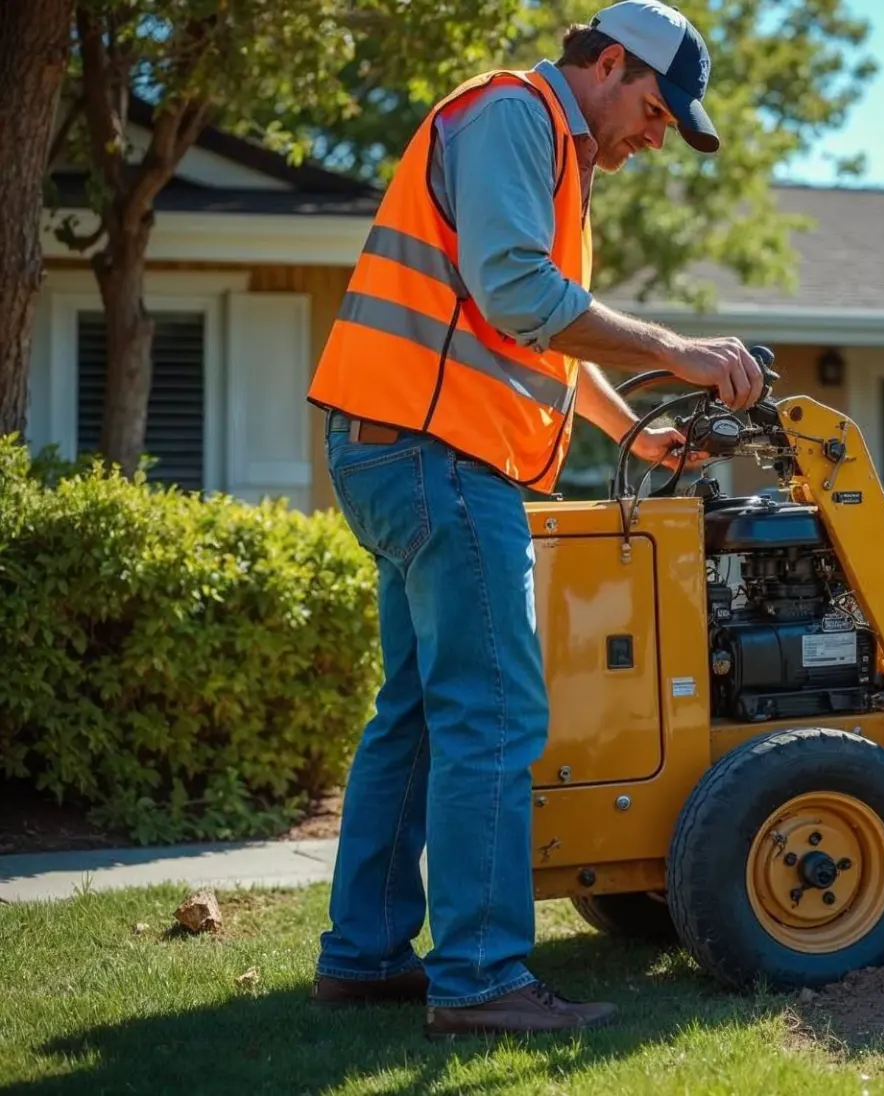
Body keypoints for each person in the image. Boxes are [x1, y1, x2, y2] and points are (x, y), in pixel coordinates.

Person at [301, 0, 763, 1040]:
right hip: (441, 456)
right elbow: (517, 293)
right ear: (609, 64)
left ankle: (367, 953)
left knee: (420, 711)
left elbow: (539, 336)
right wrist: (681, 354)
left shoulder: (547, 147)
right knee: (496, 711)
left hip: (395, 450)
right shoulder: (515, 117)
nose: (656, 136)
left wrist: (628, 433)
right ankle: (478, 978)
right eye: (656, 110)